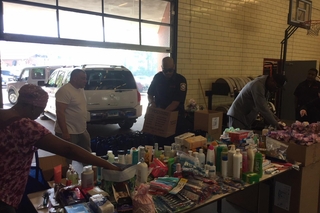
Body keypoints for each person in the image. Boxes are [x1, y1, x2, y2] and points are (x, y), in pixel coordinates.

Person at [0, 84, 119, 213]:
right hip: (5, 195)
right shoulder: (26, 126)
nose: (39, 115)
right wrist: (107, 164)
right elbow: (68, 150)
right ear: (33, 107)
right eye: (41, 110)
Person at [147, 57, 189, 144]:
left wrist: (162, 114)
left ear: (174, 67)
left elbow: (176, 102)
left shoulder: (180, 80)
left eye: (170, 70)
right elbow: (150, 93)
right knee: (159, 143)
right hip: (160, 117)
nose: (168, 73)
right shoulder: (158, 77)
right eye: (165, 70)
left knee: (174, 144)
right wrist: (152, 103)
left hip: (176, 118)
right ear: (162, 67)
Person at [55, 69, 91, 165]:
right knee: (66, 159)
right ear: (74, 79)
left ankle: (90, 176)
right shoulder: (64, 91)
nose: (85, 81)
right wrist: (65, 132)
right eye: (83, 79)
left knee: (87, 155)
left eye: (85, 78)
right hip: (69, 132)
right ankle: (65, 178)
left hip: (81, 130)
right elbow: (60, 112)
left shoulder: (80, 89)